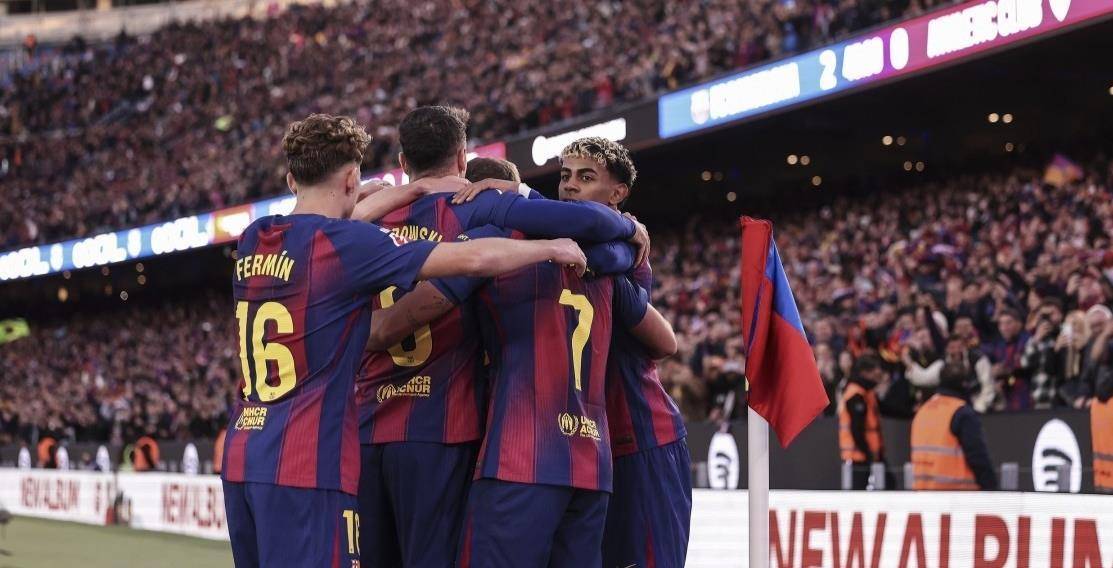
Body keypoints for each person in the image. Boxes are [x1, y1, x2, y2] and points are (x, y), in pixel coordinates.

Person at [220, 113, 588, 568]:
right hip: (305, 460)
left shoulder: (255, 238)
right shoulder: (349, 244)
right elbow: (473, 258)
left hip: (243, 452)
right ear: (352, 178)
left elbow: (322, 221)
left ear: (291, 178)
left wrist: (410, 190)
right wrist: (549, 248)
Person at [352, 106, 645, 567]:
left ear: (403, 161)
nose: (569, 185)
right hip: (564, 450)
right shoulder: (496, 221)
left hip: (392, 429)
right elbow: (663, 339)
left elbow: (388, 325)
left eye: (581, 177)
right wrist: (629, 229)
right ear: (462, 158)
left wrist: (355, 333)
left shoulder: (363, 219)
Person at [910, 362, 998, 490]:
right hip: (956, 494)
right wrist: (992, 489)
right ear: (965, 384)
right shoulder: (961, 412)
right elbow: (977, 456)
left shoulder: (923, 411)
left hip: (923, 493)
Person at [838, 354, 886, 489]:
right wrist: (868, 453)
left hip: (869, 454)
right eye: (875, 370)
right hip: (858, 457)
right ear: (865, 373)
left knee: (886, 485)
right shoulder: (856, 395)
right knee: (859, 493)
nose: (879, 374)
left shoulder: (867, 393)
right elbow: (856, 429)